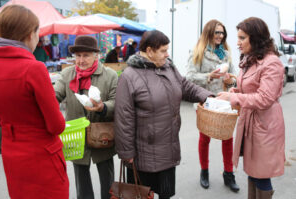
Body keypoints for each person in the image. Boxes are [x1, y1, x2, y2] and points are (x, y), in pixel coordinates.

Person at [114, 30, 214, 199]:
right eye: (163, 51)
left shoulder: (169, 67)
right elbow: (124, 118)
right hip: (142, 155)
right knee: (143, 195)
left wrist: (209, 97)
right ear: (149, 51)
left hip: (168, 150)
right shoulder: (129, 76)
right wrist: (126, 153)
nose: (168, 54)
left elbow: (186, 87)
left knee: (165, 194)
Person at [0, 5, 69, 199]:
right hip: (42, 158)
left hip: (12, 156)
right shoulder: (33, 69)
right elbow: (56, 125)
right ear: (30, 34)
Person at [218, 17, 285, 199]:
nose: (237, 43)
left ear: (255, 38)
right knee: (252, 170)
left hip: (265, 124)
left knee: (261, 173)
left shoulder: (272, 63)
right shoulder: (251, 58)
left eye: (242, 38)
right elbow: (250, 88)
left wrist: (234, 97)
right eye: (237, 38)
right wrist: (236, 89)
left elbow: (265, 98)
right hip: (250, 122)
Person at [54, 35, 118, 199]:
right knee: (81, 182)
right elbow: (55, 96)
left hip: (103, 134)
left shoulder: (109, 75)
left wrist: (103, 107)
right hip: (76, 135)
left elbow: (117, 102)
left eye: (86, 55)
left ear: (96, 56)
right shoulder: (67, 74)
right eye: (78, 56)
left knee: (107, 179)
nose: (81, 60)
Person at [185, 19, 239, 192]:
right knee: (205, 138)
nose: (220, 36)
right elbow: (190, 77)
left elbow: (235, 78)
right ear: (209, 33)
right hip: (206, 100)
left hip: (224, 102)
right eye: (217, 32)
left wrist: (231, 80)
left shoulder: (227, 53)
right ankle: (204, 171)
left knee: (227, 137)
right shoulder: (198, 52)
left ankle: (229, 174)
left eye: (222, 33)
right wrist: (209, 75)